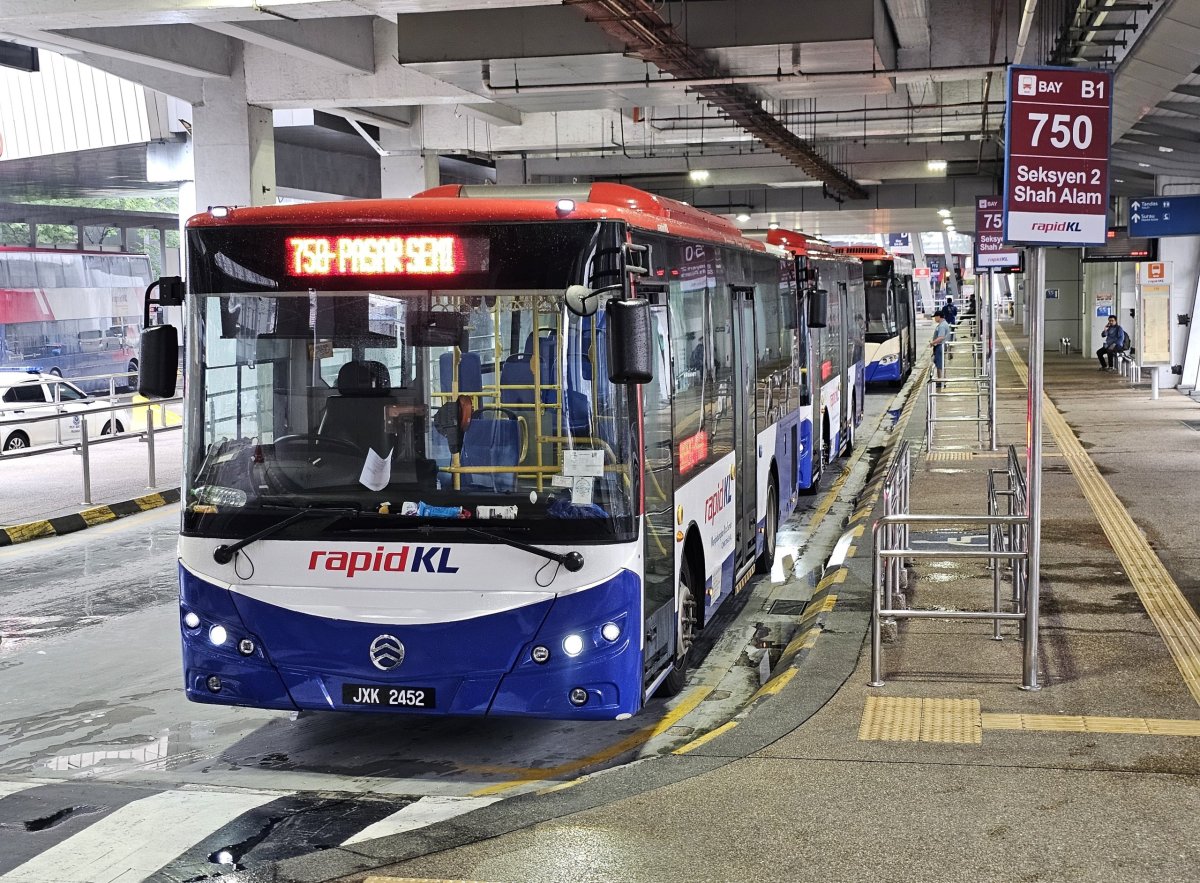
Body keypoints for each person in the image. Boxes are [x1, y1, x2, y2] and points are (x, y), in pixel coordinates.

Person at [931, 308, 952, 388]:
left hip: (940, 346)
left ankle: (941, 381)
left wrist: (932, 343)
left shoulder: (942, 326)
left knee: (940, 365)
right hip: (940, 346)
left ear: (939, 317)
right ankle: (941, 380)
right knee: (940, 363)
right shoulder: (943, 324)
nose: (935, 319)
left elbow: (941, 337)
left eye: (935, 317)